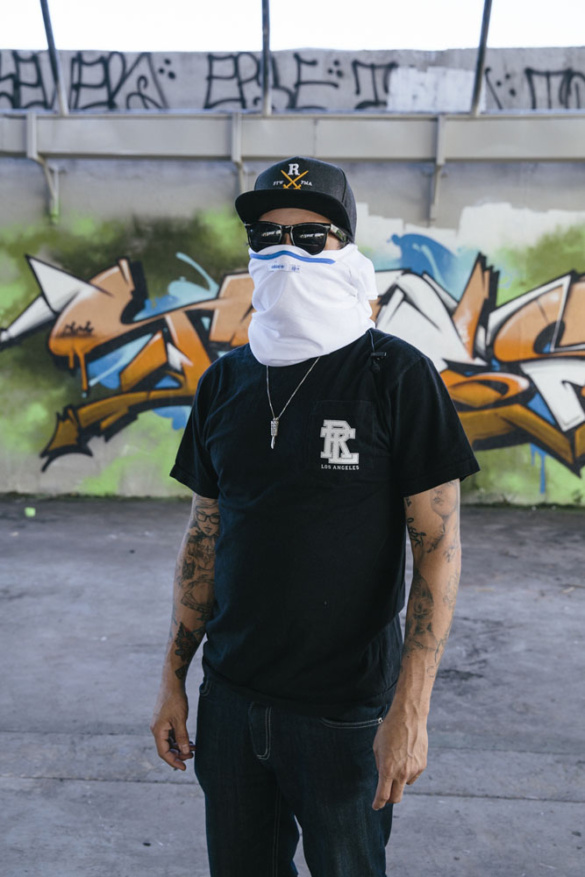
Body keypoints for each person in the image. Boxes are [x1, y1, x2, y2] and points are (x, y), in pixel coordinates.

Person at [151, 156, 479, 876]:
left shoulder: (396, 375)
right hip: (232, 701)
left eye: (309, 237)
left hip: (346, 712)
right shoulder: (225, 382)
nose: (286, 255)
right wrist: (174, 676)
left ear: (345, 248)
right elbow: (205, 535)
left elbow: (437, 546)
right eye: (267, 237)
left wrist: (411, 708)